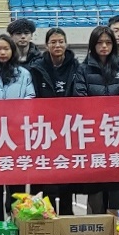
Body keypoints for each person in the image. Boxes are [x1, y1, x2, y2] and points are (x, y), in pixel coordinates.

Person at [32, 27, 86, 216]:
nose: (57, 45)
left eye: (61, 41)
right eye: (53, 42)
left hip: (69, 128)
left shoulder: (77, 67)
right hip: (45, 129)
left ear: (66, 44)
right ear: (46, 45)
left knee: (67, 173)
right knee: (47, 173)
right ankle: (47, 214)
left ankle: (67, 213)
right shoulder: (37, 69)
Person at [0, 33, 35, 224]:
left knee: (18, 183)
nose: (3, 52)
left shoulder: (24, 74)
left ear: (12, 51)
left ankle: (19, 222)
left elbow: (31, 98)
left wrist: (17, 112)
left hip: (17, 135)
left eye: (6, 49)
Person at [82, 25, 119, 213]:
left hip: (117, 133)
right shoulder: (83, 69)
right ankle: (96, 221)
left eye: (108, 42)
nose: (104, 46)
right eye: (99, 42)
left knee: (118, 183)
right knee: (95, 183)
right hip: (93, 134)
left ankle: (118, 222)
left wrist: (112, 115)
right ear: (92, 45)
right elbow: (79, 99)